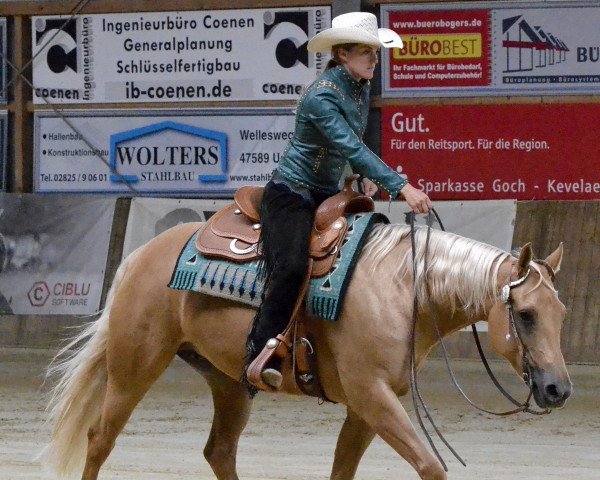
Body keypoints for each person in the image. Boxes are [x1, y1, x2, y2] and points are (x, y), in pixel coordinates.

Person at [245, 12, 432, 390]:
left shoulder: (357, 87)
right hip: (292, 192)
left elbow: (343, 150)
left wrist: (358, 177)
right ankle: (257, 355)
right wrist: (401, 186)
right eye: (367, 53)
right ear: (343, 54)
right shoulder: (324, 94)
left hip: (324, 192)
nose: (375, 61)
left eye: (377, 54)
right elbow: (349, 143)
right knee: (294, 266)